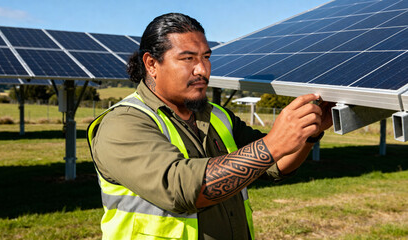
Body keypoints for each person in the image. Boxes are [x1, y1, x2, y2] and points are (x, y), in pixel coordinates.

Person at [87, 13, 333, 240]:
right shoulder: (122, 123)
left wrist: (310, 132)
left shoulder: (217, 115)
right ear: (151, 64)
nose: (202, 70)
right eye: (188, 58)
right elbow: (181, 189)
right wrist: (273, 143)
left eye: (206, 57)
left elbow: (275, 164)